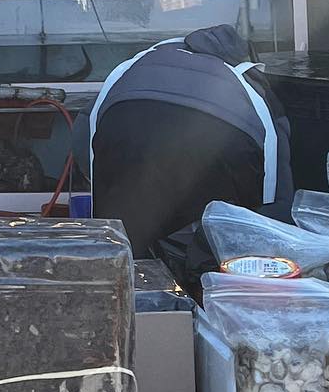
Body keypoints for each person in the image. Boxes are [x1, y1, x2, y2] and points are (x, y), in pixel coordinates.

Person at [89, 25, 293, 293]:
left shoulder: (138, 62)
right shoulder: (247, 82)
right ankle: (206, 295)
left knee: (127, 248)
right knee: (223, 247)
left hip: (125, 122)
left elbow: (86, 139)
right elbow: (275, 188)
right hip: (226, 138)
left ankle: (133, 296)